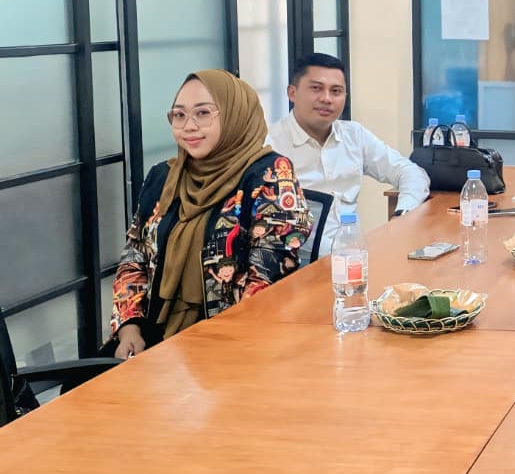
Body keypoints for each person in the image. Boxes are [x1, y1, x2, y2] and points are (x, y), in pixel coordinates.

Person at [110, 70, 313, 359]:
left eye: (203, 113)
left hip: (236, 345)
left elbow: (268, 277)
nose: (189, 126)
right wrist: (129, 327)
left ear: (234, 115)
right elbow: (134, 255)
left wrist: (213, 351)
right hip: (155, 338)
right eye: (179, 115)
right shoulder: (163, 177)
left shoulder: (269, 176)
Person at [267, 53, 429, 255]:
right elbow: (275, 223)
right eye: (316, 88)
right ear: (292, 93)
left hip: (354, 257)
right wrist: (342, 252)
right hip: (298, 263)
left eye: (336, 91)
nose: (326, 99)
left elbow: (411, 173)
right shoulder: (270, 146)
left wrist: (402, 216)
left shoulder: (354, 135)